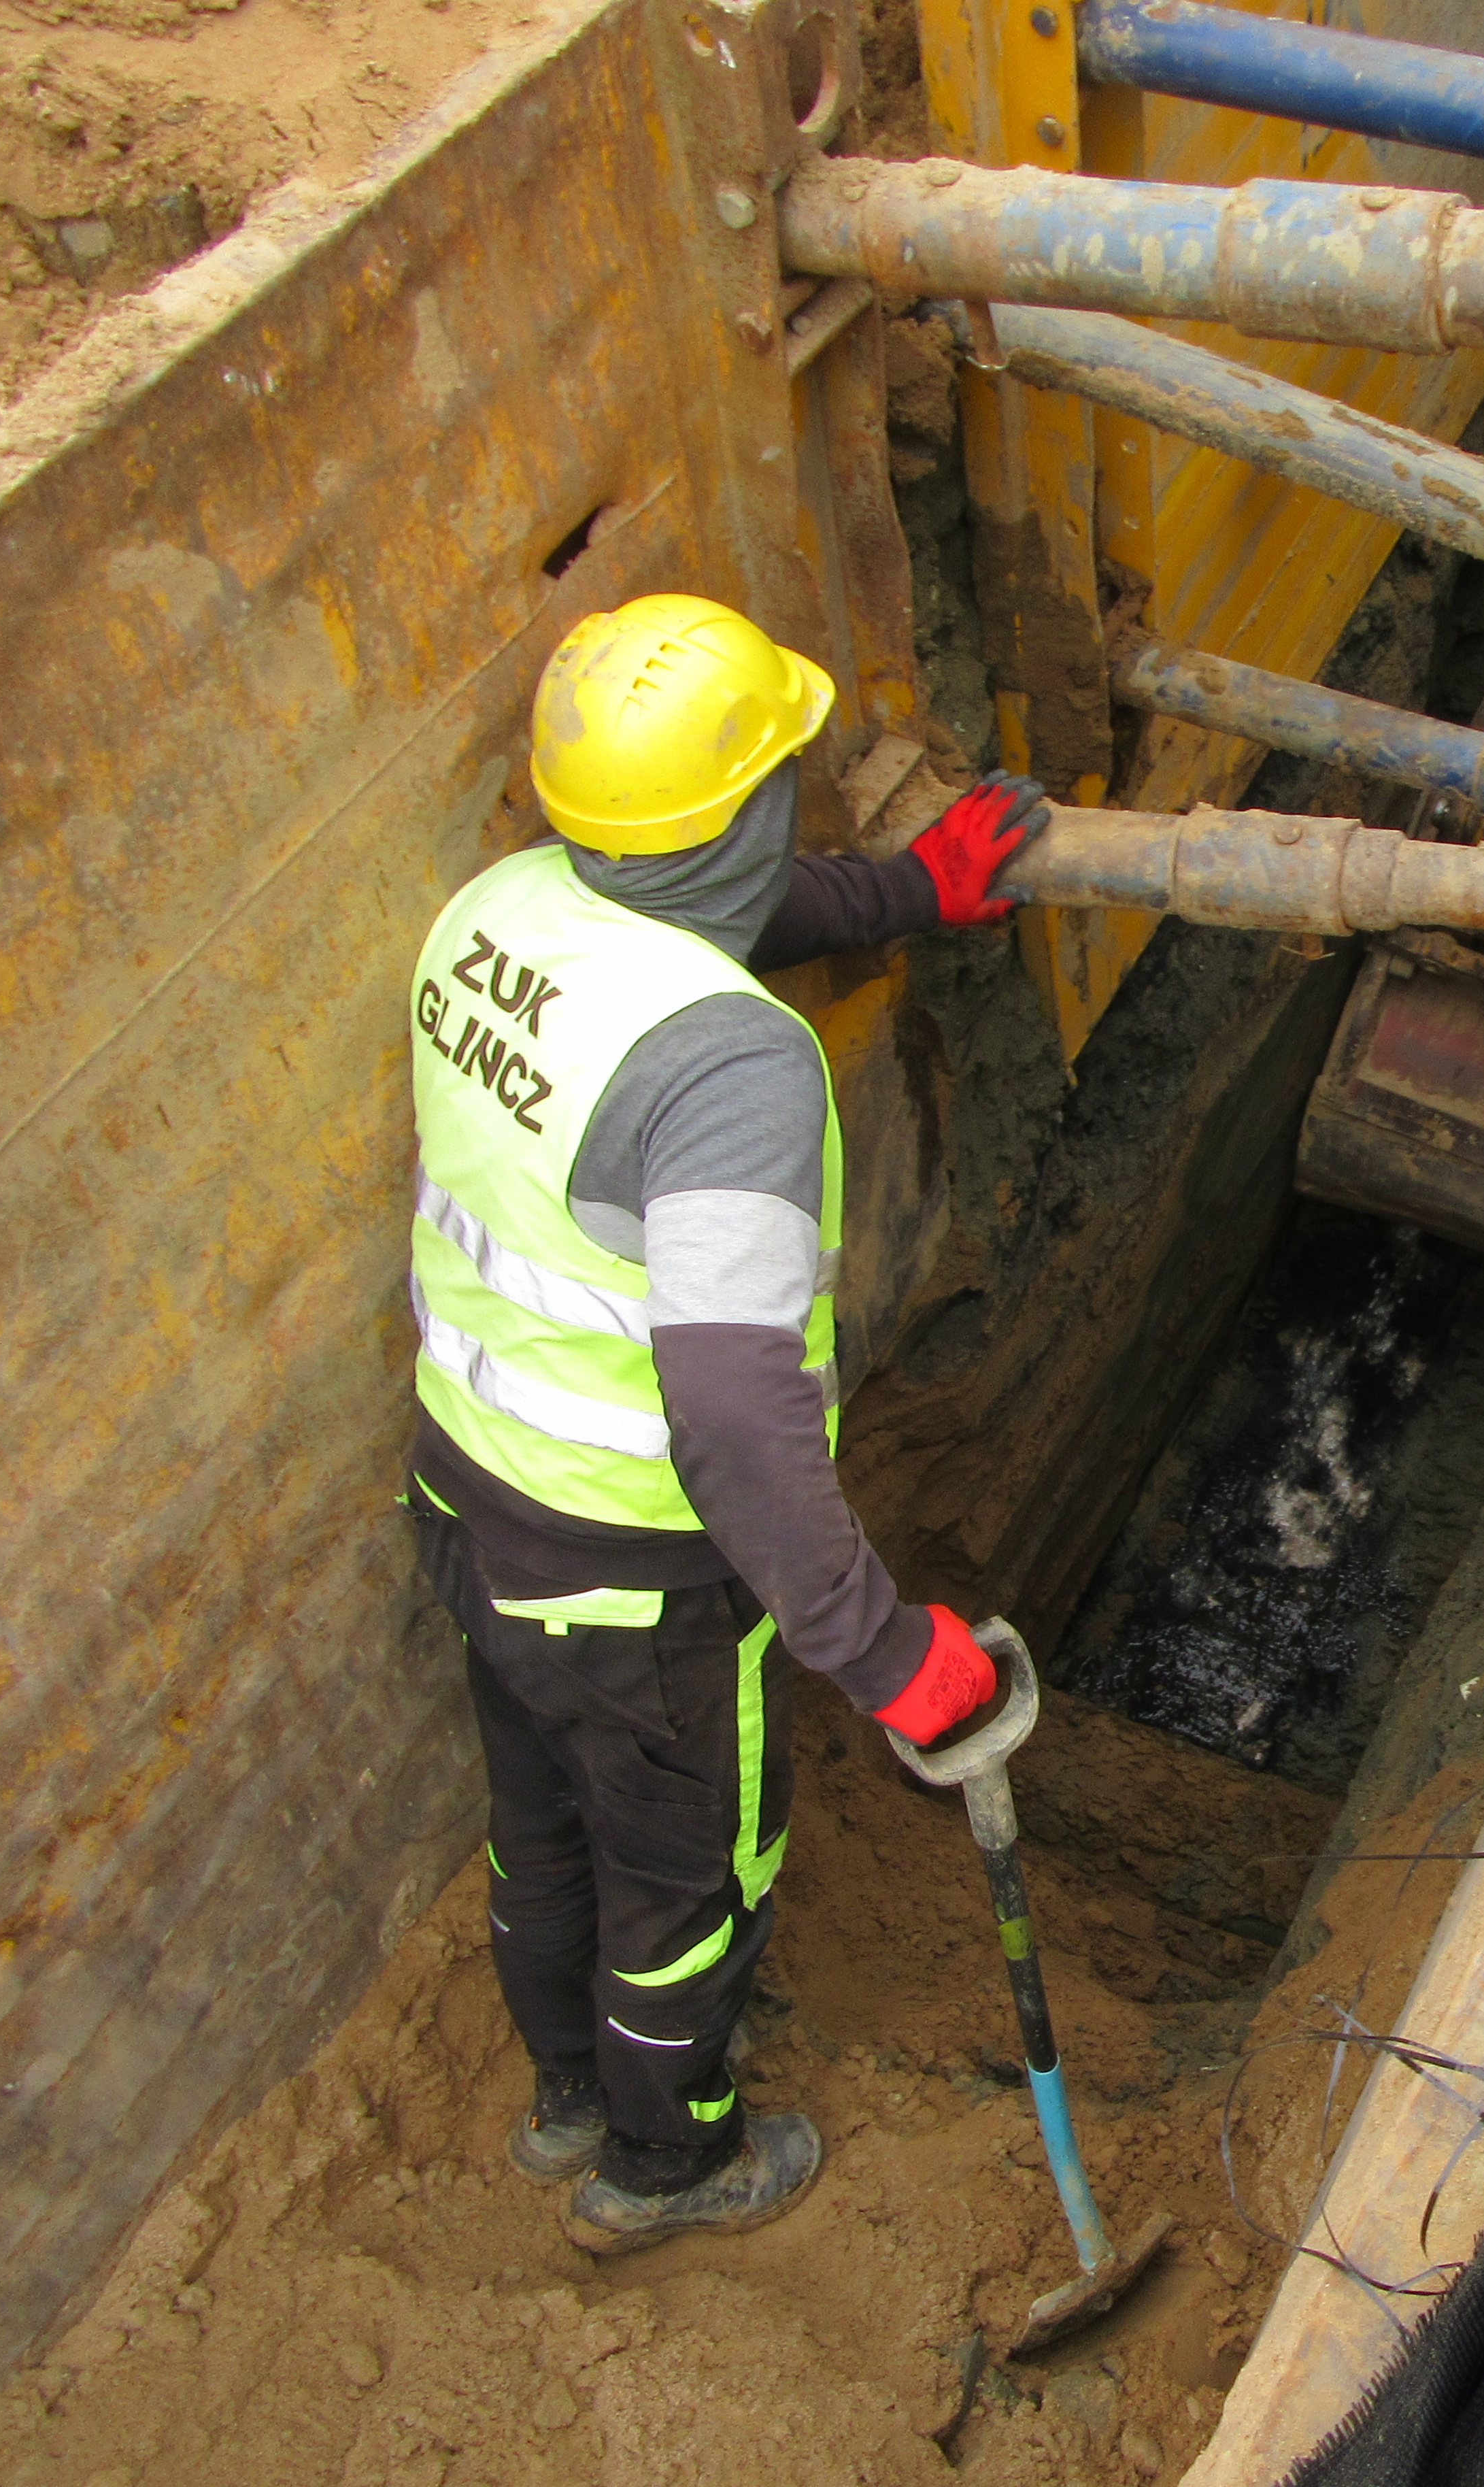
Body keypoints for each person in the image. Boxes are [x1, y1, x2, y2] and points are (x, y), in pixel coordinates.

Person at [401, 592, 1045, 2253]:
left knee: (542, 1825)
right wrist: (884, 1653)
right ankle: (666, 2167)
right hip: (636, 1578)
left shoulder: (498, 910)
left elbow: (704, 916)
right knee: (686, 1880)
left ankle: (565, 2100)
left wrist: (906, 894)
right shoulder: (734, 1081)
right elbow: (737, 1425)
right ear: (753, 805)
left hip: (469, 1498)